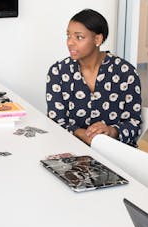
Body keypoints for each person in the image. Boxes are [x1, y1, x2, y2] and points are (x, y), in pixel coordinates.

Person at [46, 9, 143, 146]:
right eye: (68, 36)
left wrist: (110, 131)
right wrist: (83, 135)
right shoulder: (58, 72)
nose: (70, 43)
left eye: (79, 37)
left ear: (97, 39)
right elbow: (55, 122)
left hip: (115, 153)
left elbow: (134, 124)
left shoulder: (125, 73)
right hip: (71, 150)